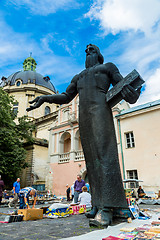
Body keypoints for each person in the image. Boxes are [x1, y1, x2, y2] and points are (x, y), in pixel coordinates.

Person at [26, 44, 141, 227]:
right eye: (86, 50)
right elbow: (65, 96)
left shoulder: (107, 67)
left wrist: (133, 95)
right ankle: (97, 204)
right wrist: (45, 98)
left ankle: (108, 208)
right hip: (84, 117)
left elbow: (124, 87)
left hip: (101, 111)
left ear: (99, 54)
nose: (88, 51)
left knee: (105, 157)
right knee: (91, 161)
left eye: (92, 49)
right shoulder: (78, 77)